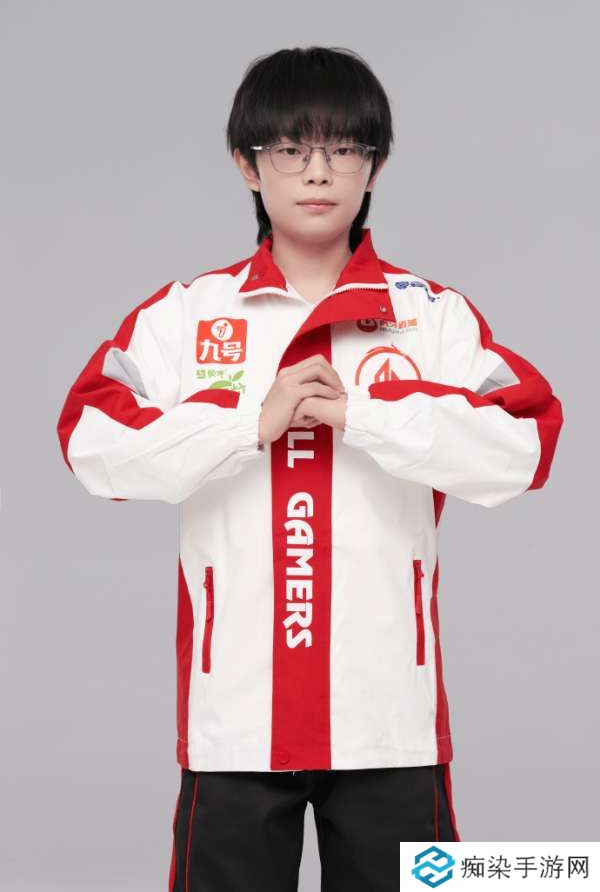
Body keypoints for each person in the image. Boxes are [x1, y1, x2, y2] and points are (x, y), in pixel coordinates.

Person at [56, 45, 564, 892]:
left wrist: (366, 415)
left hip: (388, 722)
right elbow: (89, 439)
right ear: (246, 164)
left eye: (344, 149)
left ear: (376, 166)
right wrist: (244, 426)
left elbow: (525, 446)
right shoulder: (187, 314)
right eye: (291, 149)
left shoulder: (430, 317)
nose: (318, 172)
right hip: (234, 721)